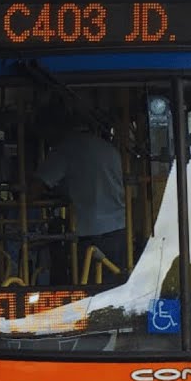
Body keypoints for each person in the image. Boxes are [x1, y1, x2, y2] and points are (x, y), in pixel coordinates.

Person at [30, 102, 129, 283]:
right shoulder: (108, 149)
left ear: (53, 128)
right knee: (113, 287)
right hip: (119, 230)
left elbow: (35, 189)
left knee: (89, 290)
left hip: (90, 233)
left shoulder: (65, 151)